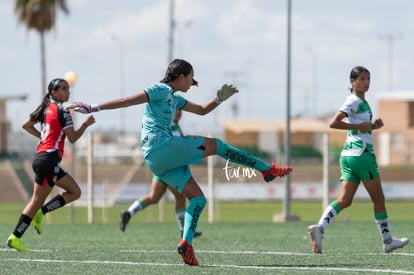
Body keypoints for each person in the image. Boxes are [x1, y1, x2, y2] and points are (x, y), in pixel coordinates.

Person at [67, 58, 292, 265]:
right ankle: (266, 170)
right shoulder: (160, 89)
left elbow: (202, 111)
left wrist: (218, 99)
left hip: (156, 161)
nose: (192, 82)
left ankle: (187, 245)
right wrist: (94, 107)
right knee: (218, 146)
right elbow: (127, 101)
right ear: (181, 76)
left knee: (198, 199)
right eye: (191, 77)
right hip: (161, 146)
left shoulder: (175, 98)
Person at [307, 66, 408, 254]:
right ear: (352, 82)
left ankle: (319, 229)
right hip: (362, 155)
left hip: (348, 156)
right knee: (379, 199)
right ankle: (387, 241)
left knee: (344, 200)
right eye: (361, 78)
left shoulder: (363, 102)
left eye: (368, 78)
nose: (366, 82)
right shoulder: (353, 100)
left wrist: (371, 126)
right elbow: (334, 122)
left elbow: (359, 127)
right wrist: (361, 125)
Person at [6, 78, 95, 252]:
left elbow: (26, 125)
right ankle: (15, 237)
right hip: (48, 160)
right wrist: (86, 124)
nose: (67, 92)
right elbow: (73, 138)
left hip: (44, 158)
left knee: (75, 192)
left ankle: (42, 213)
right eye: (63, 89)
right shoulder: (63, 111)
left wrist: (43, 138)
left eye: (68, 88)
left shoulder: (46, 109)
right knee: (36, 201)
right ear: (53, 92)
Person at [119, 109, 202, 238]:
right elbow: (176, 147)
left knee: (153, 197)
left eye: (181, 111)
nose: (179, 113)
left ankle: (128, 213)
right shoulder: (171, 127)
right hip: (170, 170)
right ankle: (183, 230)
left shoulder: (170, 125)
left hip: (161, 169)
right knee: (180, 197)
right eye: (177, 111)